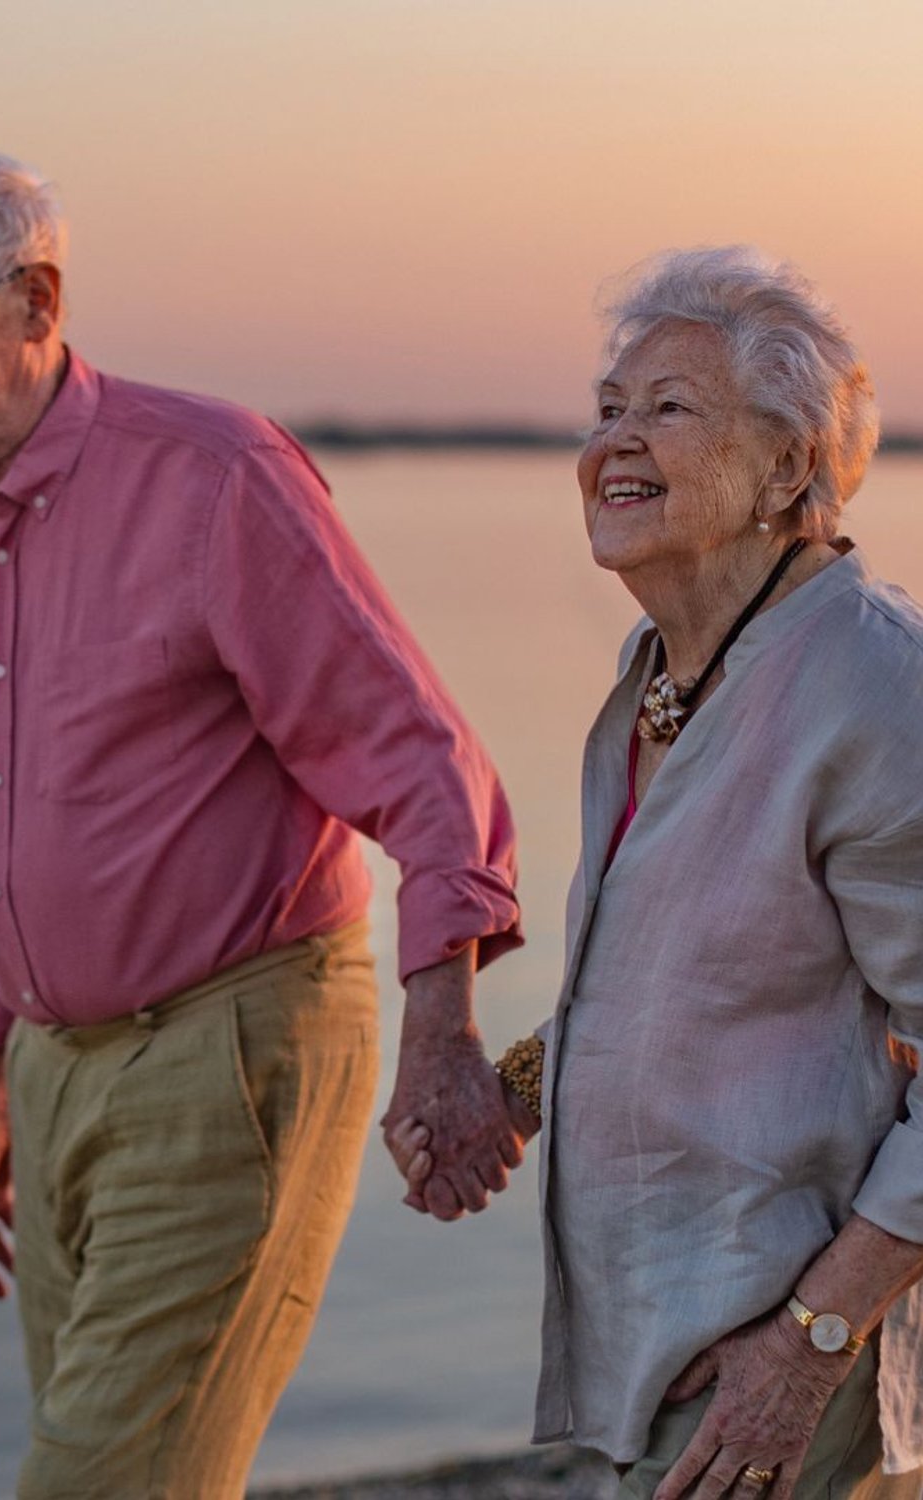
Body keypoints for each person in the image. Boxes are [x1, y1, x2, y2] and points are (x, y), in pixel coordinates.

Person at [0, 152, 524, 1497]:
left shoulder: (214, 477)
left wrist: (444, 1032)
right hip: (54, 1073)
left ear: (35, 299)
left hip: (230, 1053)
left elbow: (422, 762)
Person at [390, 247, 923, 1497]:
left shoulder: (870, 690)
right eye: (606, 410)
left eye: (666, 408)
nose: (610, 444)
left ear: (787, 468)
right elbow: (690, 978)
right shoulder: (665, 669)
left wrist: (808, 1347)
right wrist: (509, 1090)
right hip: (663, 1330)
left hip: (774, 1343)